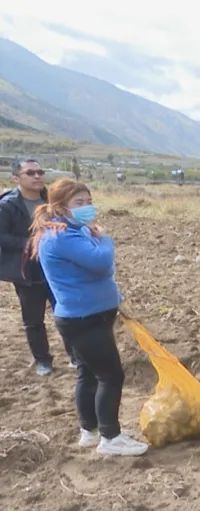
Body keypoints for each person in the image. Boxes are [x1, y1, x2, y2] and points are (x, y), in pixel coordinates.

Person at [30, 179, 147, 456]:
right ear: (60, 206)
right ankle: (111, 437)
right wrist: (104, 238)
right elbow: (100, 261)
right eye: (78, 203)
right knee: (111, 375)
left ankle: (90, 431)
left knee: (88, 373)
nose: (86, 207)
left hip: (86, 316)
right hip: (84, 319)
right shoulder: (61, 236)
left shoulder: (72, 230)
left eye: (88, 201)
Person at [1, 159, 61, 375]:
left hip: (56, 267)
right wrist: (28, 243)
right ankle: (43, 361)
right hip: (28, 271)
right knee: (34, 319)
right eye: (30, 173)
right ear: (16, 178)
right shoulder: (6, 206)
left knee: (66, 312)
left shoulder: (52, 200)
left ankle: (76, 355)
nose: (37, 176)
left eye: (40, 171)